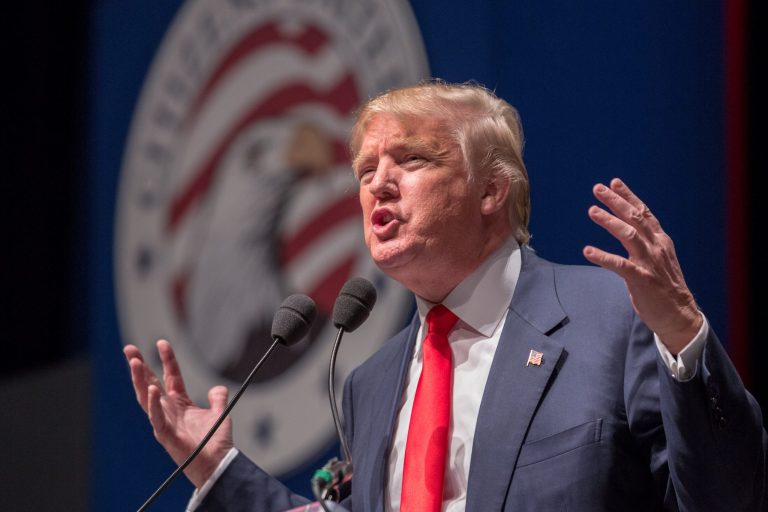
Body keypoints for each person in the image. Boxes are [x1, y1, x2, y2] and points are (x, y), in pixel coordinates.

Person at [125, 81, 767, 511]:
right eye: (365, 171)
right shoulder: (370, 385)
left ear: (491, 190)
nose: (379, 184)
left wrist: (684, 333)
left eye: (410, 160)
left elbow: (725, 497)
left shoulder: (610, 317)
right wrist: (219, 468)